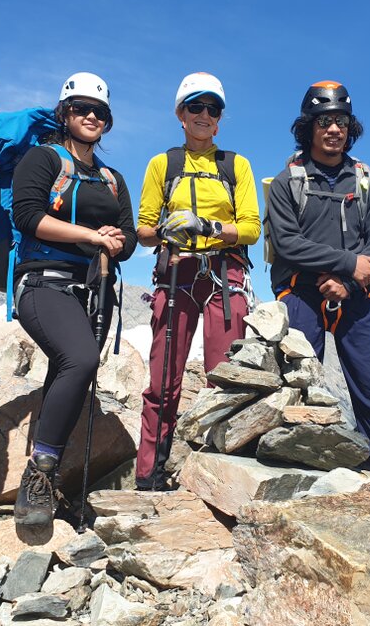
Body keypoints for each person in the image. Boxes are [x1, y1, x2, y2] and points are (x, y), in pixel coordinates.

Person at [266, 80, 370, 493]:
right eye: (325, 121)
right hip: (301, 290)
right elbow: (287, 244)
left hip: (356, 292)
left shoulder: (368, 182)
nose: (334, 130)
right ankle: (291, 468)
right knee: (298, 383)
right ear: (308, 128)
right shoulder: (287, 183)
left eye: (342, 122)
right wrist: (348, 262)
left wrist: (348, 282)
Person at [10, 72, 137, 524]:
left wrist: (115, 241)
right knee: (80, 360)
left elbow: (130, 237)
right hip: (43, 281)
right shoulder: (43, 158)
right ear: (64, 113)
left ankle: (54, 473)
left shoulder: (112, 177)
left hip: (93, 288)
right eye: (81, 108)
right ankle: (39, 474)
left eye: (99, 112)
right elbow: (27, 216)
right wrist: (91, 235)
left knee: (68, 367)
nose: (91, 117)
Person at [134, 72, 260, 490]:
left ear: (220, 119)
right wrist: (170, 230)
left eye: (213, 108)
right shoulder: (162, 165)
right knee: (163, 379)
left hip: (225, 275)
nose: (204, 115)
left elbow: (252, 227)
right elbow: (143, 230)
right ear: (180, 114)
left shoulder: (235, 165)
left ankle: (220, 474)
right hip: (176, 273)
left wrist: (205, 224)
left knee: (224, 376)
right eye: (196, 106)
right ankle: (150, 472)